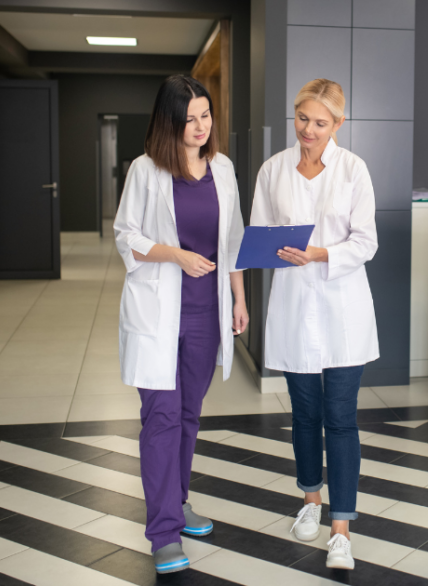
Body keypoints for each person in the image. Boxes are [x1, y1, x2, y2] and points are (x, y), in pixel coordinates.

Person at [113, 74, 248, 574]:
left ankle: (179, 499)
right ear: (169, 121)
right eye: (189, 119)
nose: (200, 126)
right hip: (157, 312)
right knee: (163, 419)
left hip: (205, 312)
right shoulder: (146, 171)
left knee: (189, 415)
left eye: (206, 116)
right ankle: (164, 531)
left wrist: (238, 299)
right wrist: (176, 255)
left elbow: (232, 240)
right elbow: (126, 236)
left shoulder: (224, 169)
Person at [250, 78, 378, 571]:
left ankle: (341, 529)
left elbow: (365, 243)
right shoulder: (273, 170)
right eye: (301, 118)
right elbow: (258, 235)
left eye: (319, 123)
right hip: (292, 306)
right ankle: (309, 501)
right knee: (304, 415)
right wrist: (272, 251)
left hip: (343, 308)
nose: (308, 130)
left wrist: (322, 252)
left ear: (338, 124)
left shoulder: (353, 171)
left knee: (341, 418)